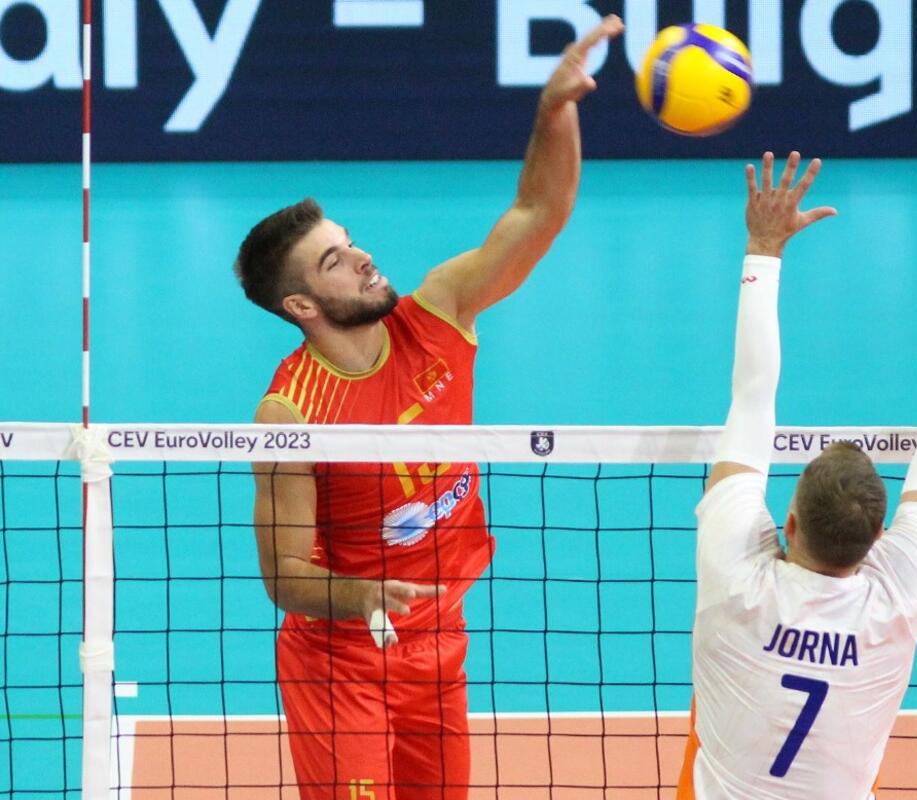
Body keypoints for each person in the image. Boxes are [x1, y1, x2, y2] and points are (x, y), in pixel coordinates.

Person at [234, 15, 625, 800]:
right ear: (302, 305)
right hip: (343, 656)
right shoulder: (292, 414)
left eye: (352, 241)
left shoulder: (439, 314)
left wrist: (553, 112)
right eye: (336, 260)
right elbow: (284, 576)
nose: (364, 258)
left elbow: (536, 215)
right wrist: (363, 596)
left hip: (440, 637)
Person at [677, 152, 917, 799]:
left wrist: (763, 248)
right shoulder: (895, 598)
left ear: (790, 523)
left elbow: (752, 396)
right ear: (878, 537)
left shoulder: (735, 576)